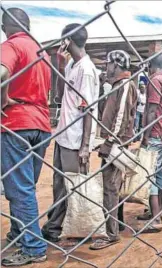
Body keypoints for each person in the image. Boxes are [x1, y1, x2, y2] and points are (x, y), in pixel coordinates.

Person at [1, 8, 51, 266]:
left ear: (4, 26)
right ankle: (19, 234)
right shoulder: (41, 52)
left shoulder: (11, 45)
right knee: (26, 188)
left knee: (19, 190)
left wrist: (3, 100)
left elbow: (1, 74)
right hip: (41, 125)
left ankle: (33, 247)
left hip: (15, 123)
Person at [42, 23, 99, 246]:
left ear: (68, 40)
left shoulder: (86, 69)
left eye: (62, 39)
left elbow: (88, 110)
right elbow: (60, 95)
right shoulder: (72, 66)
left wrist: (85, 146)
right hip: (64, 136)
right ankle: (55, 225)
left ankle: (71, 227)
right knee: (60, 185)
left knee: (73, 186)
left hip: (75, 141)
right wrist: (60, 65)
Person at [89, 50, 137, 250]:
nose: (105, 67)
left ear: (116, 65)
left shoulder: (125, 85)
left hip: (116, 144)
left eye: (108, 64)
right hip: (114, 142)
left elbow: (121, 117)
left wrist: (109, 143)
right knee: (113, 186)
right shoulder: (117, 85)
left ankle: (111, 234)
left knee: (110, 187)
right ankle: (116, 224)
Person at [138, 53, 162, 232]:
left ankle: (156, 218)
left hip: (155, 132)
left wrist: (145, 135)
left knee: (149, 173)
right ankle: (157, 210)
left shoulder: (154, 81)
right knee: (158, 172)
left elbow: (151, 110)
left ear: (151, 65)